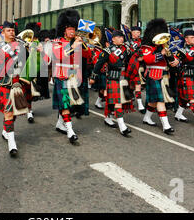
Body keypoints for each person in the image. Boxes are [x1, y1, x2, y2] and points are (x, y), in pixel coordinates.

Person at [0, 21, 30, 156]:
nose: (12, 32)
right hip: (4, 84)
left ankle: (6, 131)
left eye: (13, 30)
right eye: (8, 30)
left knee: (14, 113)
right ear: (3, 33)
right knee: (9, 112)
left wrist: (31, 50)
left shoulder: (21, 45)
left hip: (18, 84)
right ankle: (12, 143)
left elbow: (27, 63)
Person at [49, 9, 92, 143]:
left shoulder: (78, 42)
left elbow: (89, 56)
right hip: (62, 76)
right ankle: (70, 130)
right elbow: (60, 56)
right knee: (66, 104)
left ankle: (60, 124)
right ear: (64, 30)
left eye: (74, 28)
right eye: (69, 29)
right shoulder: (57, 42)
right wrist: (73, 46)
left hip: (74, 77)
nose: (72, 31)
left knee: (70, 105)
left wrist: (84, 44)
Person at [90, 30, 133, 136]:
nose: (121, 39)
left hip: (123, 79)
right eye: (119, 37)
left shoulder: (126, 49)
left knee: (114, 101)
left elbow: (130, 61)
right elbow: (98, 65)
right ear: (113, 39)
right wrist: (93, 77)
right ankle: (122, 127)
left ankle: (108, 117)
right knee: (118, 102)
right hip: (113, 79)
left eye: (122, 37)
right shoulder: (107, 51)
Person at [141, 19, 180, 135]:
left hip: (163, 75)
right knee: (160, 99)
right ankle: (166, 125)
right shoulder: (146, 47)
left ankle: (147, 118)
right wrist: (161, 53)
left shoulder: (163, 46)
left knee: (154, 101)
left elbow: (170, 58)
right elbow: (148, 59)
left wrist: (175, 61)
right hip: (153, 74)